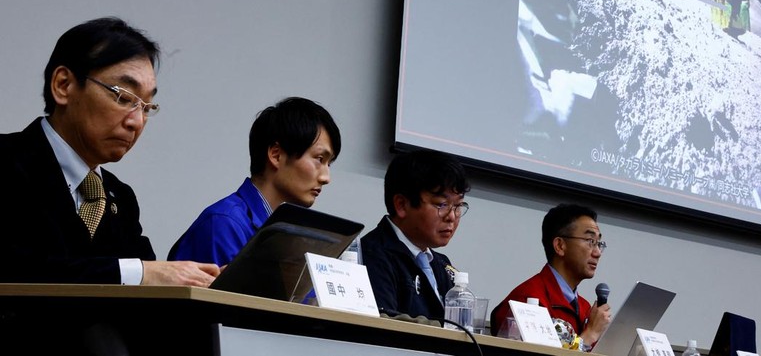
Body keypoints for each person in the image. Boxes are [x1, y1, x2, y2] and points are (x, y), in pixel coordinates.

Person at [0, 17, 221, 286]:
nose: (136, 122)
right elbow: (16, 266)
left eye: (147, 107)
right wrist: (140, 274)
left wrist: (211, 281)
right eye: (124, 97)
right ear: (63, 85)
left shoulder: (120, 197)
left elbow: (155, 283)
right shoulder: (8, 161)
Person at [168, 97, 341, 266]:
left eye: (329, 164)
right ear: (276, 155)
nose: (326, 178)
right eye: (319, 159)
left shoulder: (295, 235)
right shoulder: (222, 225)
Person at [360, 149, 471, 322]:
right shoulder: (372, 254)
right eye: (441, 204)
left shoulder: (441, 264)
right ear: (401, 205)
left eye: (458, 206)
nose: (451, 216)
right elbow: (384, 326)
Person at [490, 203, 611, 351]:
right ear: (560, 246)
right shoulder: (526, 302)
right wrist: (590, 335)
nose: (597, 253)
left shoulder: (586, 309)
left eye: (599, 243)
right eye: (590, 241)